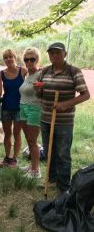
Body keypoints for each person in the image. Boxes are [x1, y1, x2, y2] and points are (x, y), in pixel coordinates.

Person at [35, 42, 90, 192]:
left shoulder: (74, 71)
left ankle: (64, 186)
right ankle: (51, 179)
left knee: (63, 154)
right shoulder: (45, 71)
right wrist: (38, 90)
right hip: (46, 118)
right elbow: (39, 95)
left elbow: (86, 95)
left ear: (65, 54)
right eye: (51, 53)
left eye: (58, 53)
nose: (54, 55)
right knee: (49, 150)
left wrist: (66, 104)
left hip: (64, 122)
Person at [0, 49, 27, 168]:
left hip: (19, 108)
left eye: (10, 57)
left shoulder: (23, 71)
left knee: (17, 134)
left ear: (15, 58)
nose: (8, 59)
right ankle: (7, 157)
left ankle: (14, 159)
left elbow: (35, 74)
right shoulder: (1, 73)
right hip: (6, 106)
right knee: (7, 134)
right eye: (6, 57)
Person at [19, 47, 42, 178]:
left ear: (37, 59)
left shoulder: (40, 74)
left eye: (32, 59)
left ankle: (36, 171)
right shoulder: (26, 74)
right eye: (26, 59)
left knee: (33, 141)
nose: (29, 62)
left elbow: (43, 92)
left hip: (34, 109)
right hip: (23, 108)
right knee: (29, 140)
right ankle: (32, 165)